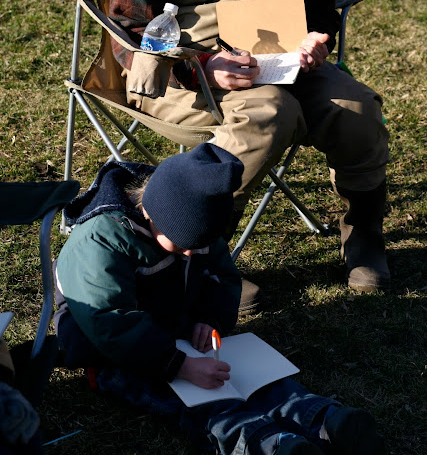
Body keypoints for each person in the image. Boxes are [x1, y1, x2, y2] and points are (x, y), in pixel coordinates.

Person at [108, 0, 391, 298]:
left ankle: (364, 237)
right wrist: (202, 66)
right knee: (268, 112)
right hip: (178, 75)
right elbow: (127, 31)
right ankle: (199, 257)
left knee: (356, 108)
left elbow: (320, 6)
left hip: (283, 64)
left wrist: (317, 37)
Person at [54, 144, 385, 455]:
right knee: (198, 401)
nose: (190, 254)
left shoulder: (198, 225)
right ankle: (265, 441)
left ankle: (321, 418)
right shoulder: (100, 241)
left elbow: (222, 277)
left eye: (200, 245)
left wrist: (210, 317)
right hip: (111, 354)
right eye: (181, 245)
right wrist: (179, 366)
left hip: (177, 334)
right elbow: (110, 321)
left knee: (251, 379)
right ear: (151, 213)